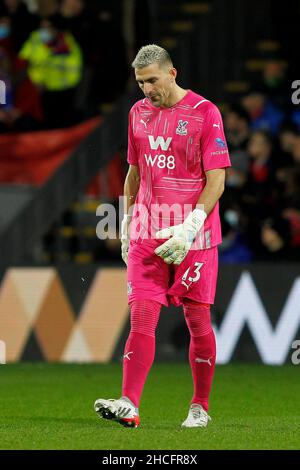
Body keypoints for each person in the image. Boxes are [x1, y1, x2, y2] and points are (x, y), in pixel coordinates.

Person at [94, 44, 231, 428]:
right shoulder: (138, 113)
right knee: (141, 318)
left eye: (152, 80)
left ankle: (199, 406)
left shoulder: (205, 114)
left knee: (197, 322)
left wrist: (191, 226)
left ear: (172, 73)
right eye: (140, 83)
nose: (146, 89)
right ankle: (129, 403)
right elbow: (135, 170)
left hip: (195, 237)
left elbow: (217, 178)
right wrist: (127, 219)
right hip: (147, 232)